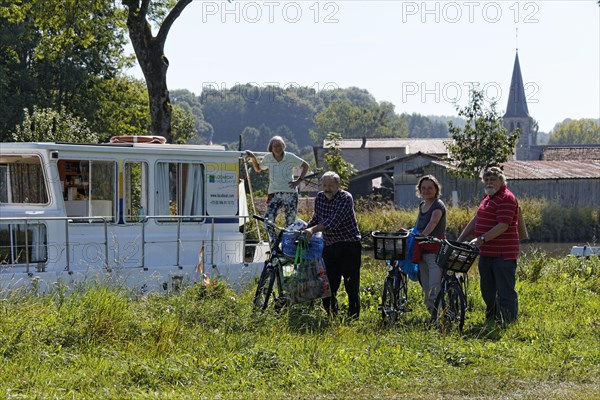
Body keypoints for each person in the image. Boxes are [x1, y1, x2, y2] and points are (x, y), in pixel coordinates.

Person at [457, 166, 520, 324]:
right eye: (486, 179)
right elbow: (476, 220)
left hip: (503, 254)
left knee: (505, 291)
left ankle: (508, 321)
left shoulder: (506, 198)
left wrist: (482, 239)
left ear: (501, 180)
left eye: (493, 179)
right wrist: (460, 238)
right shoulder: (488, 198)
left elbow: (503, 225)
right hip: (486, 253)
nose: (489, 182)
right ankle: (492, 318)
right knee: (488, 290)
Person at [304, 171, 362, 320]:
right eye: (324, 185)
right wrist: (304, 230)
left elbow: (333, 222)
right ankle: (331, 315)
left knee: (351, 283)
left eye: (330, 185)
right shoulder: (320, 197)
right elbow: (316, 218)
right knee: (328, 284)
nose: (327, 188)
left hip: (349, 245)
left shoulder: (345, 198)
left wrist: (313, 230)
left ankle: (353, 317)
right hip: (329, 245)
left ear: (338, 185)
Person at [246, 136, 309, 242]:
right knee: (268, 221)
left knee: (290, 222)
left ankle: (288, 245)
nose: (277, 148)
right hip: (274, 193)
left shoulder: (290, 157)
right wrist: (253, 158)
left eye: (279, 145)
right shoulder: (268, 158)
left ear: (283, 146)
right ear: (271, 147)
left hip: (290, 192)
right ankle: (274, 245)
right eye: (275, 146)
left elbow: (306, 165)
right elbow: (258, 169)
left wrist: (299, 180)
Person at [412, 175, 446, 319]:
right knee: (425, 285)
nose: (426, 191)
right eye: (423, 188)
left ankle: (439, 315)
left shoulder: (438, 205)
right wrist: (410, 232)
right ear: (419, 190)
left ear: (436, 189)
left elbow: (432, 223)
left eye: (430, 188)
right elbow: (419, 225)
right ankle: (433, 314)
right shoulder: (422, 205)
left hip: (434, 249)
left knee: (434, 284)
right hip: (422, 249)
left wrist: (423, 235)